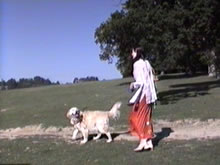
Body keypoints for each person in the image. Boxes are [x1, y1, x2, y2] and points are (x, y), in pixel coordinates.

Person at [128, 47, 157, 152]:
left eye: (133, 51)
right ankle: (149, 142)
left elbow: (140, 81)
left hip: (143, 95)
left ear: (137, 53)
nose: (131, 54)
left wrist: (132, 85)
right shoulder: (146, 63)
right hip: (150, 95)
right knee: (147, 118)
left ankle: (143, 140)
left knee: (136, 118)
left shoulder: (137, 64)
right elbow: (152, 78)